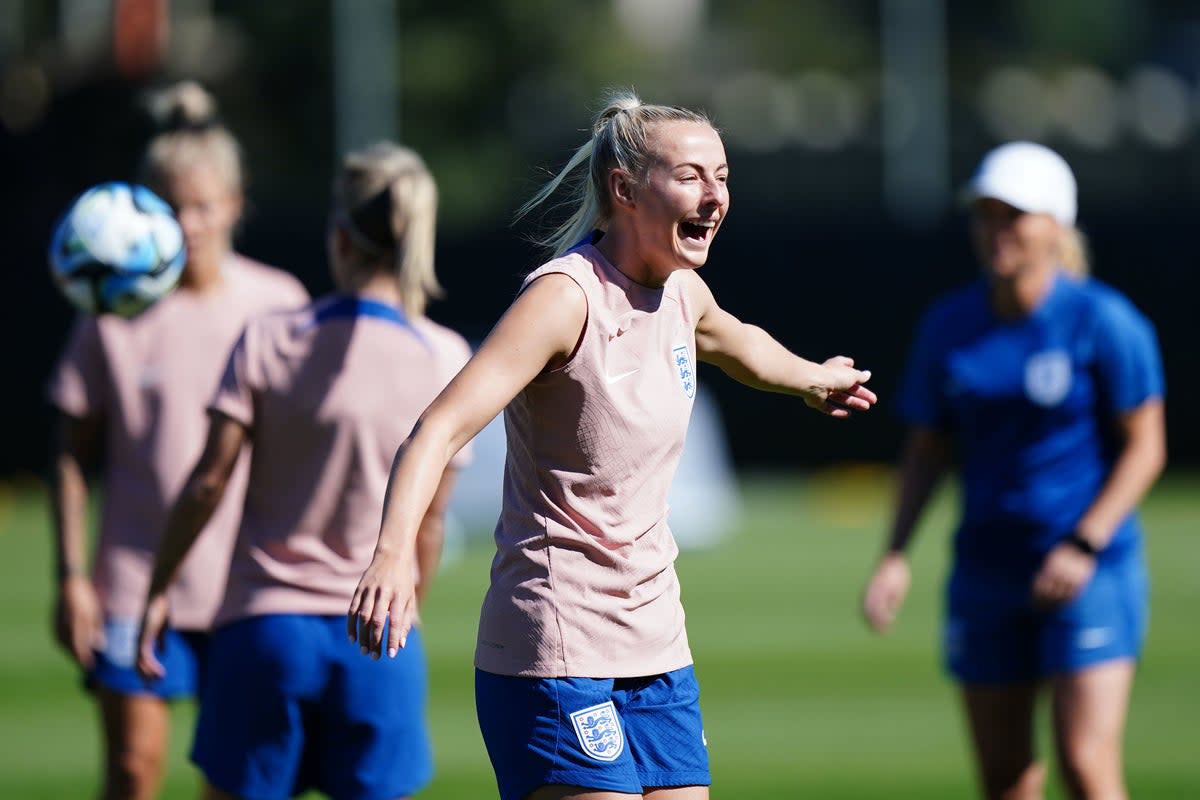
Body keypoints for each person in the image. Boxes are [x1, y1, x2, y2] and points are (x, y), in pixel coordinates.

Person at [348, 89, 876, 800]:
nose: (714, 195)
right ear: (625, 189)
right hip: (556, 646)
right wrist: (389, 557)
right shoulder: (566, 298)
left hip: (657, 644)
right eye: (691, 175)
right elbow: (437, 429)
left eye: (722, 176)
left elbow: (740, 343)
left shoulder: (684, 293)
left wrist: (812, 380)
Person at [135, 141, 470, 800]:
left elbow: (208, 482)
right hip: (376, 643)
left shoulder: (269, 336)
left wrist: (157, 592)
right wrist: (404, 613)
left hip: (263, 633)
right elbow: (428, 526)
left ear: (340, 237)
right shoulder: (444, 355)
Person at [861, 141, 1166, 800]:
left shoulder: (1104, 322)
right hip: (986, 572)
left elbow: (1147, 447)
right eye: (985, 215)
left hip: (1090, 573)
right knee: (1006, 781)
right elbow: (926, 450)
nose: (996, 230)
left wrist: (1084, 543)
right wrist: (894, 554)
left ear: (1056, 224)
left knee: (1086, 764)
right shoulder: (950, 324)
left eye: (1014, 216)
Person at [46, 81, 309, 800]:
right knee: (132, 774)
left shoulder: (280, 303)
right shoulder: (109, 308)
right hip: (132, 581)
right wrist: (71, 575)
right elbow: (71, 454)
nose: (188, 222)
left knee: (236, 786)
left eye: (203, 205)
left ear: (235, 203)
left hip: (249, 588)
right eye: (171, 205)